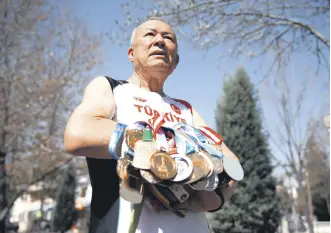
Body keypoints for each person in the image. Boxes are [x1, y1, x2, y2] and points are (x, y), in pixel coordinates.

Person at [64, 17, 239, 233]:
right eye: (150, 34)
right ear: (131, 54)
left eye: (168, 37)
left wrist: (202, 200)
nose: (160, 41)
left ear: (175, 62)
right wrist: (158, 145)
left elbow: (232, 165)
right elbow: (78, 132)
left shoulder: (186, 109)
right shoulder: (110, 87)